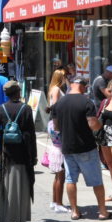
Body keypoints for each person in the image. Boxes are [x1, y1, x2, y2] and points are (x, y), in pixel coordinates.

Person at [52, 77, 109, 221]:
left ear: (72, 85)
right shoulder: (86, 102)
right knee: (96, 180)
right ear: (82, 86)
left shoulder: (59, 104)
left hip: (67, 147)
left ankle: (75, 212)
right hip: (86, 147)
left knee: (71, 179)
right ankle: (103, 211)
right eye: (86, 87)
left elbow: (56, 127)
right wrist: (100, 126)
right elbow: (93, 124)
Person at [0, 80, 36, 222]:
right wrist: (33, 155)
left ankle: (6, 219)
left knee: (6, 186)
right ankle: (21, 219)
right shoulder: (26, 109)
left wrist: (6, 132)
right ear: (18, 92)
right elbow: (32, 133)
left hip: (7, 154)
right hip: (23, 153)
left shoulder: (1, 109)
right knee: (22, 187)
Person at [45, 70, 69, 212]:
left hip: (55, 125)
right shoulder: (56, 89)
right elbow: (55, 106)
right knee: (61, 171)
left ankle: (55, 201)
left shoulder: (54, 88)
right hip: (58, 126)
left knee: (59, 173)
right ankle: (58, 203)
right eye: (65, 76)